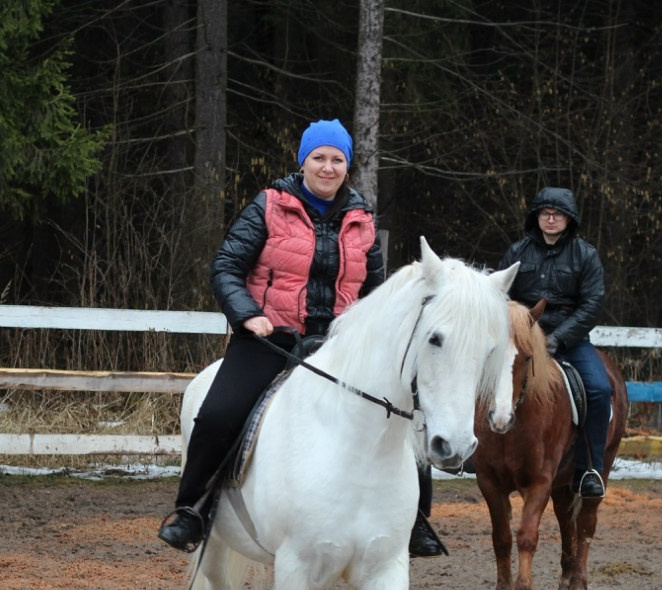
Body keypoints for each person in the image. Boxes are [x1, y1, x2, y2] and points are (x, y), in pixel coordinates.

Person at [157, 118, 447, 557]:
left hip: (340, 346)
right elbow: (226, 267)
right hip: (271, 338)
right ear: (303, 161)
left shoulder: (362, 220)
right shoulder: (269, 205)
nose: (327, 168)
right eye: (319, 158)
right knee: (219, 412)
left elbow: (376, 294)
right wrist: (247, 316)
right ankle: (191, 509)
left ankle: (415, 521)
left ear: (346, 166)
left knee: (403, 413)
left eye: (336, 160)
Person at [496, 187, 612, 498]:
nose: (550, 218)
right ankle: (474, 451)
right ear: (535, 216)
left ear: (569, 219)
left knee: (600, 389)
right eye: (545, 212)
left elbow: (592, 306)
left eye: (558, 213)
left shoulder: (585, 255)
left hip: (570, 339)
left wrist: (558, 339)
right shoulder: (517, 252)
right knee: (481, 375)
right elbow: (499, 295)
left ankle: (590, 468)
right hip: (520, 339)